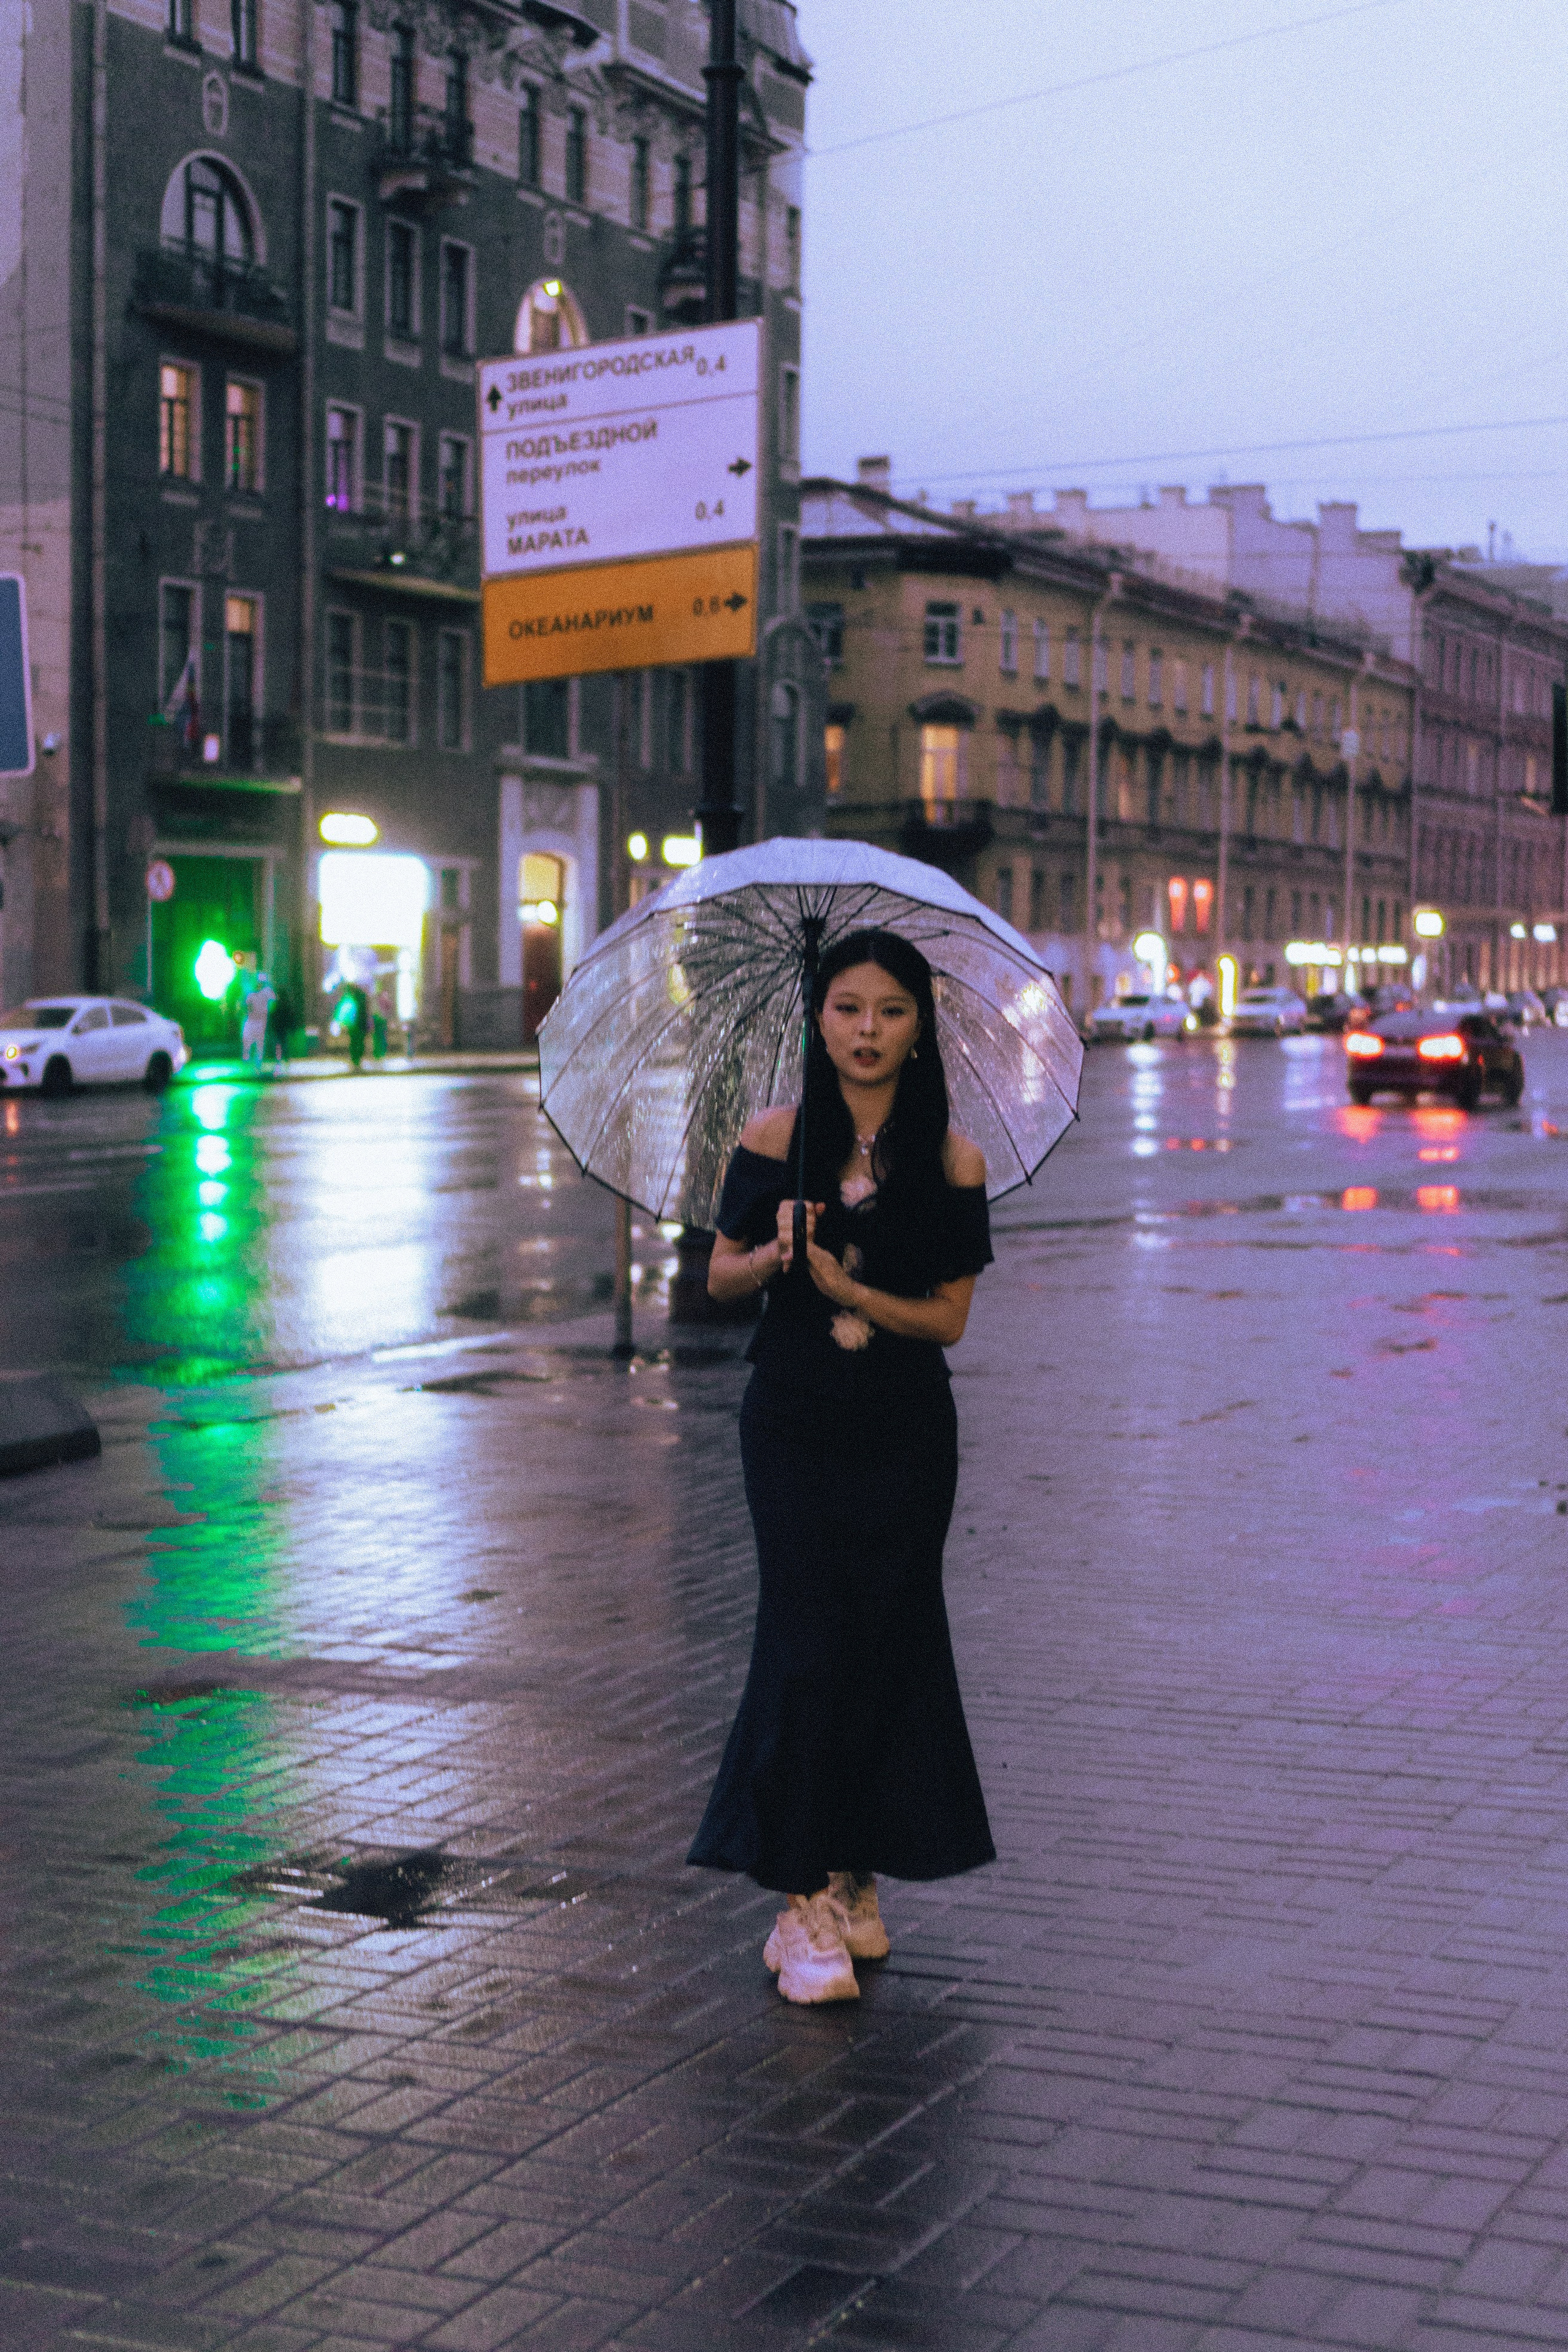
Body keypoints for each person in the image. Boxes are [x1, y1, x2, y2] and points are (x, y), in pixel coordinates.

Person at [690, 929, 996, 2004]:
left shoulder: (951, 1158)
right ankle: (800, 1902)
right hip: (796, 1426)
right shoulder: (776, 1136)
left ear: (920, 1028)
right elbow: (719, 1279)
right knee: (809, 1643)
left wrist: (848, 1286)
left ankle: (859, 1874)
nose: (867, 1031)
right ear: (817, 1020)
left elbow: (950, 1320)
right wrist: (779, 1255)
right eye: (848, 1009)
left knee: (890, 1641)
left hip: (908, 1434)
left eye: (891, 1011)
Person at [240, 971, 276, 1067]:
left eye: (260, 982)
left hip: (261, 1020)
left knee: (259, 1041)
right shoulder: (251, 993)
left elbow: (273, 1002)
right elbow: (246, 1005)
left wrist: (269, 1013)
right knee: (246, 1038)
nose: (258, 984)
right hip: (251, 1019)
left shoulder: (267, 992)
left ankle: (258, 1059)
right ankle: (246, 1057)